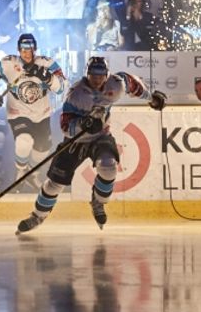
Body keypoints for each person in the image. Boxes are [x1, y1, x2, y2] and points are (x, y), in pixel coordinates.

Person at [15, 56, 166, 233]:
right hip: (76, 140)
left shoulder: (116, 84)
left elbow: (132, 83)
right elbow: (65, 125)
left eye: (101, 75)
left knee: (108, 166)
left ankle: (98, 202)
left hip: (101, 137)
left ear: (107, 74)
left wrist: (151, 98)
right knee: (54, 184)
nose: (97, 79)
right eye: (93, 75)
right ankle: (37, 216)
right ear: (87, 74)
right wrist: (83, 124)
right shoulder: (76, 93)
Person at [0, 33, 66, 188]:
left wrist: (47, 77)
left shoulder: (47, 63)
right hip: (18, 112)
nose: (28, 53)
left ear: (36, 49)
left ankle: (31, 174)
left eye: (31, 49)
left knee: (43, 149)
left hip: (42, 113)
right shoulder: (9, 63)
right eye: (24, 50)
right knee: (24, 140)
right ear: (18, 50)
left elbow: (61, 87)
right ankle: (20, 172)